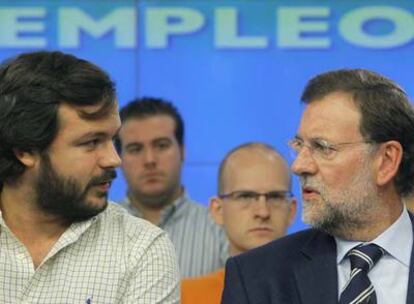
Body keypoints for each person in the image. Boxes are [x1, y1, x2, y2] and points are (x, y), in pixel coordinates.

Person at [0, 51, 179, 303]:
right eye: (92, 142)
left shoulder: (141, 249)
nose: (113, 159)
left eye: (113, 139)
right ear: (25, 150)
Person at [222, 69, 414, 304]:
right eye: (298, 145)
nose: (299, 166)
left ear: (386, 161)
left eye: (323, 148)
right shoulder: (256, 277)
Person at [116, 97, 228, 278]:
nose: (149, 160)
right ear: (118, 157)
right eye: (135, 149)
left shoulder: (221, 229)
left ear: (183, 150)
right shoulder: (97, 229)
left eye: (161, 146)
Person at [182, 142, 297, 303]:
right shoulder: (187, 296)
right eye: (244, 196)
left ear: (291, 210)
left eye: (275, 197)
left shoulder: (324, 290)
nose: (262, 212)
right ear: (218, 210)